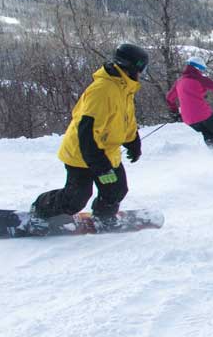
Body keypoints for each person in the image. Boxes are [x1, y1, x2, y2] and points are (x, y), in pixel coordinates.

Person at [30, 43, 149, 230]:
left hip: (106, 153)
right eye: (143, 69)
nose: (142, 74)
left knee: (116, 189)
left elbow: (125, 119)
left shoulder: (124, 88)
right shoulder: (102, 90)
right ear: (132, 67)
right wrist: (100, 166)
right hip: (82, 155)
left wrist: (133, 141)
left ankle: (103, 217)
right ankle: (40, 209)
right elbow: (86, 132)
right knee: (75, 199)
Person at [166, 56, 213, 157]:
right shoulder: (200, 79)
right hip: (203, 114)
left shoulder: (179, 81)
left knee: (207, 134)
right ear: (198, 68)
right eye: (202, 69)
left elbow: (169, 98)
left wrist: (175, 112)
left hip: (188, 119)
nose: (202, 72)